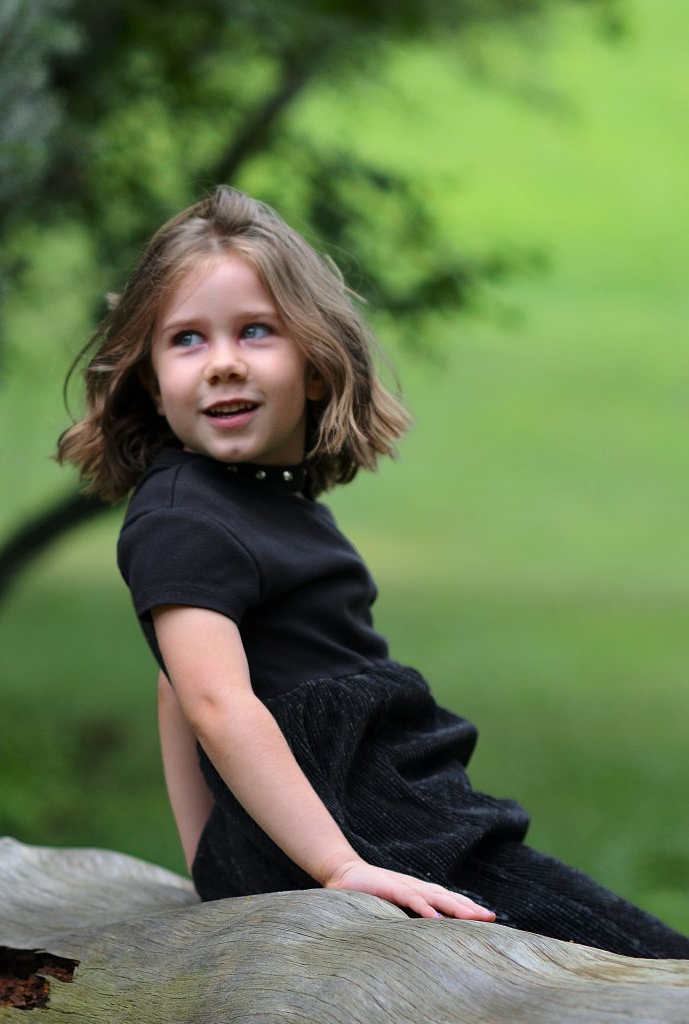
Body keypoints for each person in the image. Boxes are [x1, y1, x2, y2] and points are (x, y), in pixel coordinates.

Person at [58, 185, 689, 958]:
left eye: (254, 332)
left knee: (628, 954)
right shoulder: (183, 516)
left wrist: (208, 861)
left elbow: (173, 684)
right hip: (368, 828)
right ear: (152, 384)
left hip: (390, 812)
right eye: (187, 339)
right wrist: (335, 866)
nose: (222, 363)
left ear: (317, 367)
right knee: (639, 962)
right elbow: (212, 702)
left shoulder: (259, 504)